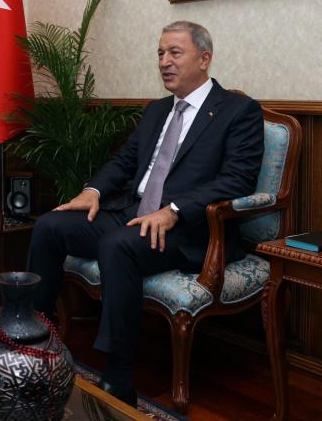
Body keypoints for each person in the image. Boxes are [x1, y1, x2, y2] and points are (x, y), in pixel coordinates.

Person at [27, 21, 263, 406]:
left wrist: (175, 209)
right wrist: (93, 190)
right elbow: (124, 162)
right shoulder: (156, 111)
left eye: (175, 53)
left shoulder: (238, 112)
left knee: (118, 246)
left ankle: (119, 376)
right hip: (133, 212)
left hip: (188, 229)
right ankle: (35, 335)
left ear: (204, 59)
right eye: (160, 53)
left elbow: (238, 180)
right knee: (50, 225)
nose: (164, 62)